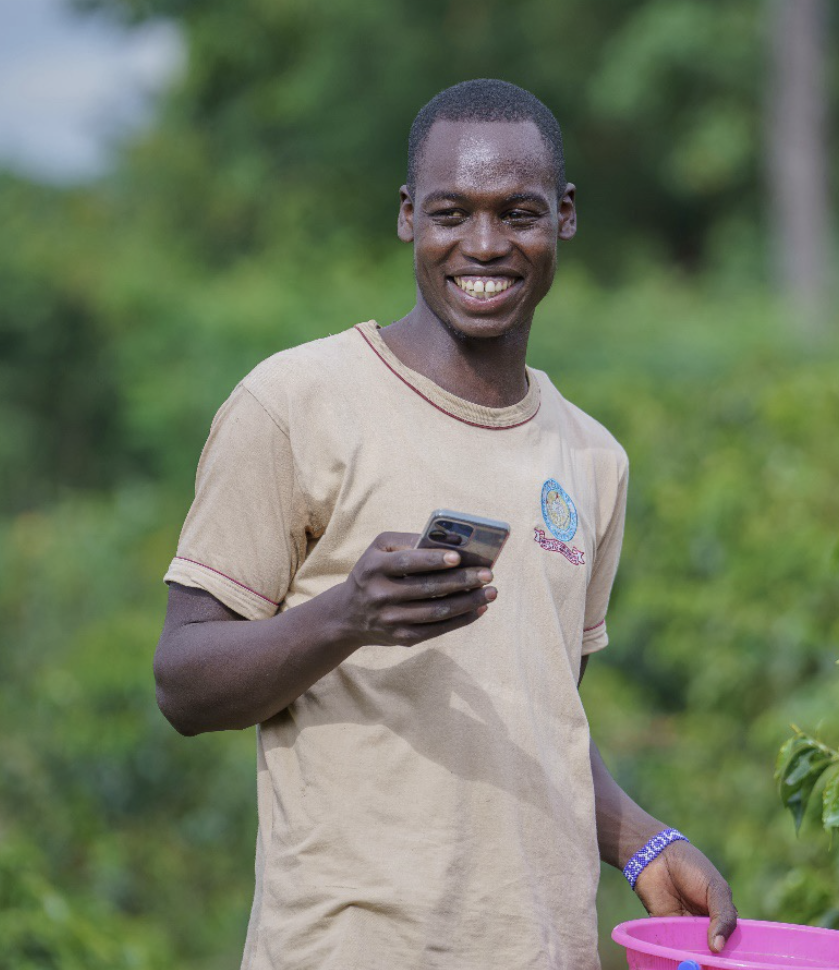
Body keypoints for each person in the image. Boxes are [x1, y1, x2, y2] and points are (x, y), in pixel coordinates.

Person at [156, 78, 737, 970]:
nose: (485, 245)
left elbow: (538, 719)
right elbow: (183, 683)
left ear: (565, 217)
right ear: (406, 218)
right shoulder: (295, 404)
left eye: (518, 213)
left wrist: (645, 842)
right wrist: (344, 618)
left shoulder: (591, 459)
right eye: (450, 213)